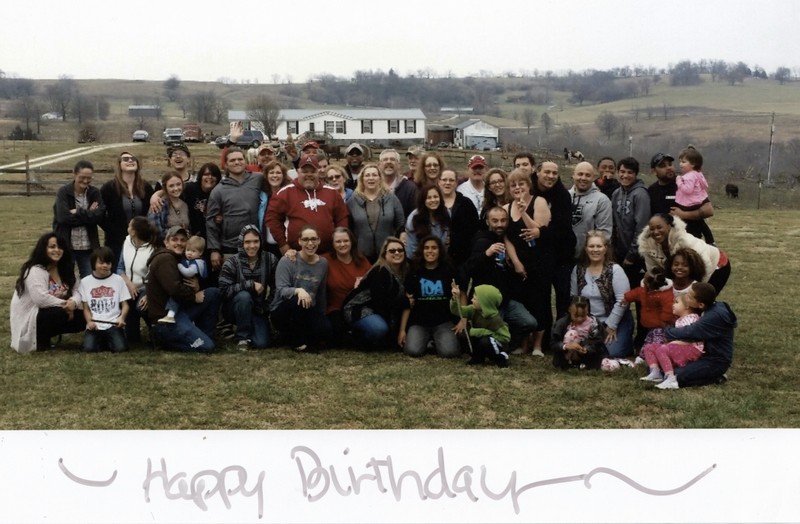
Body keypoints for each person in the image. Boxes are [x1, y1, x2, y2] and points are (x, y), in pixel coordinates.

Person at [465, 206, 538, 354]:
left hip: (506, 299)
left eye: (503, 220)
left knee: (530, 322)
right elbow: (470, 268)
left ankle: (511, 341)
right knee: (492, 340)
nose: (499, 224)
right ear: (487, 222)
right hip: (487, 302)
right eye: (495, 221)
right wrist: (487, 254)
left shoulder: (509, 239)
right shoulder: (481, 240)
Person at [145, 226, 221, 353]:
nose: (179, 243)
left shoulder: (181, 258)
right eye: (174, 239)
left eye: (182, 240)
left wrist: (197, 286)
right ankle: (162, 341)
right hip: (166, 319)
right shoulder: (165, 259)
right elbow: (174, 289)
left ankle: (205, 335)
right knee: (207, 347)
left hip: (180, 310)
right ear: (166, 242)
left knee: (213, 293)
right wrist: (193, 296)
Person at [10, 232, 85, 353]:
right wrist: (66, 305)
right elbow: (41, 299)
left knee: (84, 314)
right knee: (59, 313)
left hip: (56, 309)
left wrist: (73, 302)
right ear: (43, 249)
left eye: (60, 247)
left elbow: (78, 290)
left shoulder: (65, 269)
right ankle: (40, 339)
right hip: (33, 315)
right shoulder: (35, 270)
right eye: (52, 247)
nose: (57, 250)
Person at [504, 168, 552, 356]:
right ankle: (524, 344)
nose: (517, 188)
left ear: (528, 185)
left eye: (521, 183)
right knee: (521, 302)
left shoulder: (539, 202)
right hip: (518, 264)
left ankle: (538, 346)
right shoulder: (506, 208)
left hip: (539, 261)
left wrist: (524, 212)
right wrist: (516, 262)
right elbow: (506, 238)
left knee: (539, 302)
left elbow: (540, 230)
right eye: (513, 185)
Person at [266, 155, 349, 255]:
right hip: (296, 254)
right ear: (298, 172)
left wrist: (340, 242)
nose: (309, 175)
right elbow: (272, 219)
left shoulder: (332, 192)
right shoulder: (285, 193)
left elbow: (342, 218)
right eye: (305, 171)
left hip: (328, 253)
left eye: (312, 171)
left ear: (318, 172)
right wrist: (283, 244)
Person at [571, 230, 633, 358]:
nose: (595, 250)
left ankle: (626, 343)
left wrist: (611, 325)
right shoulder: (578, 270)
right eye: (591, 246)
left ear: (605, 248)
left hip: (614, 320)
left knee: (611, 353)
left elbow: (623, 301)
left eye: (599, 246)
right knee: (580, 349)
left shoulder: (615, 270)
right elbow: (573, 298)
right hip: (588, 322)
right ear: (586, 249)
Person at [663, 282, 737, 387]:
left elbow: (690, 332)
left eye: (689, 296)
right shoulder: (708, 308)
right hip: (702, 355)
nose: (686, 297)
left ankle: (716, 377)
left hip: (716, 361)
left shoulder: (713, 317)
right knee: (664, 369)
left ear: (701, 304)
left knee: (677, 376)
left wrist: (668, 331)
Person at [270, 224, 331, 351]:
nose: (310, 243)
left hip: (308, 308)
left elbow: (321, 293)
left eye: (313, 239)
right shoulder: (288, 260)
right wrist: (298, 290)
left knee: (325, 330)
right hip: (284, 310)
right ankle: (297, 343)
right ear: (299, 241)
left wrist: (321, 315)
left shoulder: (323, 264)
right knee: (299, 301)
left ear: (319, 240)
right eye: (305, 239)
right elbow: (281, 290)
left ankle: (291, 336)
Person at [399, 235, 462, 358]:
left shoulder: (449, 271)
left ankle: (434, 342)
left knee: (450, 353)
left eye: (434, 248)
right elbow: (408, 303)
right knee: (412, 351)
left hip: (443, 321)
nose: (430, 251)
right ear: (422, 251)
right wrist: (402, 330)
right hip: (419, 322)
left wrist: (462, 320)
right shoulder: (414, 272)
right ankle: (429, 342)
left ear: (440, 251)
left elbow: (461, 294)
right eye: (426, 248)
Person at [343, 237, 410, 350]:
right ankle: (353, 337)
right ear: (384, 254)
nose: (397, 253)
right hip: (358, 308)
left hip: (380, 309)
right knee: (379, 329)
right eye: (392, 251)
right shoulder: (380, 271)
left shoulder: (405, 270)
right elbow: (380, 302)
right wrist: (405, 301)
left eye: (400, 250)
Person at [218, 225, 279, 350]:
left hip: (258, 308)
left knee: (261, 343)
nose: (252, 246)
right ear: (241, 243)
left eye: (256, 241)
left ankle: (253, 328)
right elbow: (223, 291)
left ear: (261, 241)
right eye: (247, 242)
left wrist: (266, 307)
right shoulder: (231, 263)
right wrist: (249, 285)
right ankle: (242, 337)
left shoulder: (270, 259)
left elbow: (276, 288)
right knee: (244, 296)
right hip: (234, 308)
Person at [638, 213, 731, 294]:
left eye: (659, 227)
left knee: (700, 301)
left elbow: (706, 265)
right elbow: (653, 271)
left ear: (669, 226)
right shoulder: (647, 245)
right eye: (652, 229)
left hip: (717, 266)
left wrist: (695, 291)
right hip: (688, 271)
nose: (655, 232)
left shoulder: (685, 240)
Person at [532, 161, 577, 322]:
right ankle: (544, 333)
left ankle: (562, 330)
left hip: (561, 253)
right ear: (537, 172)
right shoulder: (529, 190)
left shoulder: (562, 195)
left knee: (563, 296)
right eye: (547, 172)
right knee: (541, 296)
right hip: (538, 254)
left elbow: (563, 227)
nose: (551, 176)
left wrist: (541, 233)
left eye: (554, 173)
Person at [53, 159, 105, 278]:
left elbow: (99, 216)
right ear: (74, 174)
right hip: (66, 245)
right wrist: (88, 214)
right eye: (82, 177)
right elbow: (63, 218)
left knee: (89, 279)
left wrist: (78, 211)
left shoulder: (94, 193)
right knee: (66, 278)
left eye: (89, 178)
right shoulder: (63, 192)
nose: (85, 181)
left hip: (88, 247)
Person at [100, 152, 154, 265]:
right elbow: (100, 214)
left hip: (142, 240)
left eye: (133, 158)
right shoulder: (109, 188)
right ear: (119, 164)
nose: (130, 160)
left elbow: (152, 211)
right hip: (116, 242)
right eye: (125, 159)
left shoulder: (146, 187)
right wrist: (112, 230)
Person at [640, 293, 704, 389]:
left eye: (676, 302)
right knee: (649, 347)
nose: (673, 305)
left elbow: (691, 337)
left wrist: (673, 343)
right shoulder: (681, 320)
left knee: (662, 349)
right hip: (682, 346)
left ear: (687, 306)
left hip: (692, 349)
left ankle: (670, 378)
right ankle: (655, 372)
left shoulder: (691, 318)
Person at [647, 152, 715, 242]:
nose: (669, 168)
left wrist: (684, 214)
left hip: (690, 242)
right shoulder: (651, 191)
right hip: (665, 244)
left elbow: (709, 210)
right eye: (663, 166)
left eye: (670, 164)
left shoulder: (685, 184)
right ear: (654, 171)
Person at [322, 227, 372, 347]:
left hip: (358, 308)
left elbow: (373, 281)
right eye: (338, 241)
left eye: (346, 241)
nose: (342, 244)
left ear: (352, 242)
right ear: (332, 244)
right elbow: (306, 259)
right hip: (335, 308)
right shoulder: (324, 260)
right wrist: (291, 253)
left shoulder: (361, 260)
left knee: (375, 331)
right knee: (335, 331)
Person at [346, 163, 405, 263]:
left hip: (387, 253)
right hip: (362, 254)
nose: (371, 178)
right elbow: (349, 227)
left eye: (374, 175)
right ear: (362, 179)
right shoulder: (353, 200)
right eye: (367, 175)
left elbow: (400, 224)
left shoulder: (391, 198)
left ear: (380, 178)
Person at [79, 246, 130, 353]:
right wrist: (89, 322)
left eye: (108, 263)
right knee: (88, 349)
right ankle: (103, 341)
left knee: (121, 349)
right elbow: (86, 308)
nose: (105, 266)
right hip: (95, 325)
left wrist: (121, 318)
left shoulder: (118, 280)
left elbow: (125, 305)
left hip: (113, 324)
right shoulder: (85, 282)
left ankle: (108, 340)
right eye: (101, 263)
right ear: (94, 264)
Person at [450, 282, 510, 368]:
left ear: (484, 303)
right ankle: (478, 357)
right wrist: (455, 298)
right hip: (482, 340)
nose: (471, 300)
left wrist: (483, 332)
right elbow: (458, 311)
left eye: (474, 299)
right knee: (465, 334)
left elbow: (505, 338)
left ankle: (500, 357)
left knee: (485, 341)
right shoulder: (473, 309)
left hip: (496, 344)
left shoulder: (495, 320)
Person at [116, 217, 157, 344]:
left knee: (142, 307)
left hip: (145, 289)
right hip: (128, 289)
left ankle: (154, 330)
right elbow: (120, 268)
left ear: (133, 232)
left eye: (130, 225)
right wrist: (128, 283)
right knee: (132, 339)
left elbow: (154, 277)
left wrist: (149, 294)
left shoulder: (152, 249)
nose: (127, 227)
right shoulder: (127, 241)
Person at [157, 235, 207, 324]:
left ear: (200, 253)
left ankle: (170, 315)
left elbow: (188, 272)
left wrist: (179, 266)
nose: (189, 253)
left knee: (175, 298)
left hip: (189, 287)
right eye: (188, 250)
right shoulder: (186, 259)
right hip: (187, 286)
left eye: (193, 251)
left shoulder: (198, 263)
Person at [568, 161, 612, 259]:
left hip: (589, 258)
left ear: (593, 178)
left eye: (588, 175)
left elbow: (604, 234)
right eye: (580, 174)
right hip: (564, 256)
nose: (583, 178)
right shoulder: (565, 196)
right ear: (573, 175)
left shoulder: (602, 200)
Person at [437, 169, 479, 269]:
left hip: (462, 257)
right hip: (437, 255)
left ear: (456, 183)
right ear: (439, 182)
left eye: (451, 180)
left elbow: (475, 229)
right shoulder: (433, 203)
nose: (447, 183)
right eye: (444, 180)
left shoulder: (466, 203)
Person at [622, 266, 674, 346]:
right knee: (650, 339)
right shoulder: (644, 290)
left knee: (656, 343)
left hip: (660, 326)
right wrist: (626, 297)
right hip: (648, 324)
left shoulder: (665, 295)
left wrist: (665, 321)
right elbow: (636, 293)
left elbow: (668, 309)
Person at [551, 295, 606, 370]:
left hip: (587, 356)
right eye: (576, 316)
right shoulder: (561, 323)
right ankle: (569, 362)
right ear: (569, 310)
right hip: (566, 355)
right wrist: (566, 346)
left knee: (608, 365)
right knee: (571, 334)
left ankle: (583, 364)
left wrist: (586, 349)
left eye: (583, 316)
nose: (580, 319)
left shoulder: (594, 323)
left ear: (587, 311)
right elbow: (553, 344)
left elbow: (598, 343)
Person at [675, 145, 714, 244]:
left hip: (689, 203)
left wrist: (679, 181)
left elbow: (687, 190)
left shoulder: (689, 176)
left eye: (684, 162)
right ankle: (710, 240)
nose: (680, 164)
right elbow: (705, 185)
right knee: (700, 222)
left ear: (693, 164)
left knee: (691, 222)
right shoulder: (698, 173)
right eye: (680, 161)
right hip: (699, 201)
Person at [257, 160, 293, 257]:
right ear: (266, 175)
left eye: (278, 173)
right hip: (265, 245)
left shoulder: (289, 195)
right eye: (271, 173)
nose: (275, 175)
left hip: (286, 245)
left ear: (283, 175)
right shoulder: (261, 196)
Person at [404, 184, 450, 258]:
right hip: (419, 260)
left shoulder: (446, 213)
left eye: (435, 197)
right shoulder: (414, 217)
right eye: (429, 198)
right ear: (423, 200)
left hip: (441, 259)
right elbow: (412, 250)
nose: (433, 200)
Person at [183, 162, 221, 238]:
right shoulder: (190, 188)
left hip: (213, 236)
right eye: (206, 174)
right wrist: (158, 194)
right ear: (200, 176)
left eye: (213, 175)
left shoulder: (220, 193)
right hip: (192, 236)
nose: (210, 177)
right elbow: (174, 190)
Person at [148, 171, 189, 240]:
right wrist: (175, 236)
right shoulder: (158, 204)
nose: (176, 188)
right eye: (171, 186)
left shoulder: (185, 205)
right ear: (165, 187)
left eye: (178, 184)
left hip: (182, 244)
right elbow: (154, 230)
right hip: (163, 244)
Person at [380, 148, 418, 218]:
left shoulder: (410, 189)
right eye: (385, 159)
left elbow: (414, 216)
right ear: (380, 164)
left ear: (398, 165)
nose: (389, 161)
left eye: (392, 159)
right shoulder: (373, 187)